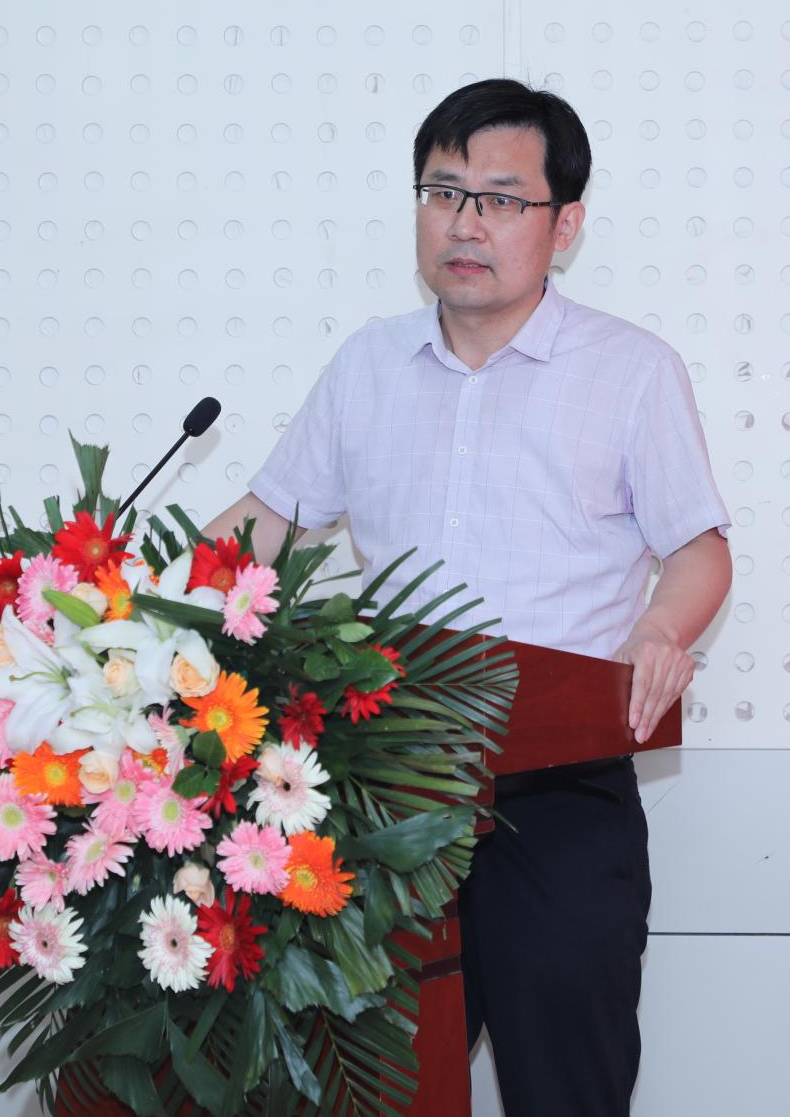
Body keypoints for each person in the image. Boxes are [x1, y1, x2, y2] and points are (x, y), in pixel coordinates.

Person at [200, 77, 733, 1116]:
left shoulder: (629, 371)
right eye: (442, 192)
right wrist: (116, 600)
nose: (464, 222)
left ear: (564, 225)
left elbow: (698, 549)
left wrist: (659, 630)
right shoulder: (368, 364)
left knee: (564, 1092)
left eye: (500, 198)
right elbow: (265, 525)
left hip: (558, 797)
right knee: (374, 1092)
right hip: (380, 795)